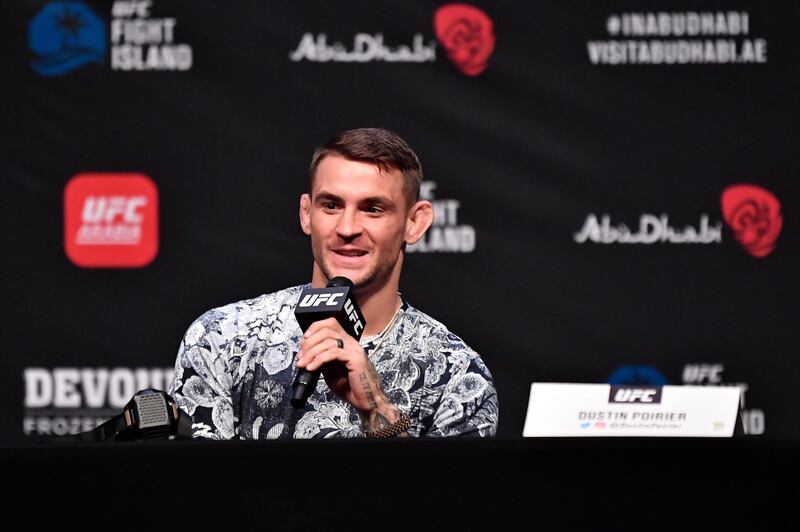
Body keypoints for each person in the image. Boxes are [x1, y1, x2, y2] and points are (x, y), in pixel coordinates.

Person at [169, 128, 498, 439]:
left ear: (415, 222)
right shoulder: (222, 339)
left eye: (372, 209)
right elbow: (195, 491)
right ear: (306, 213)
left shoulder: (458, 375)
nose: (347, 227)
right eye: (331, 205)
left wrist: (376, 408)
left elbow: (451, 498)